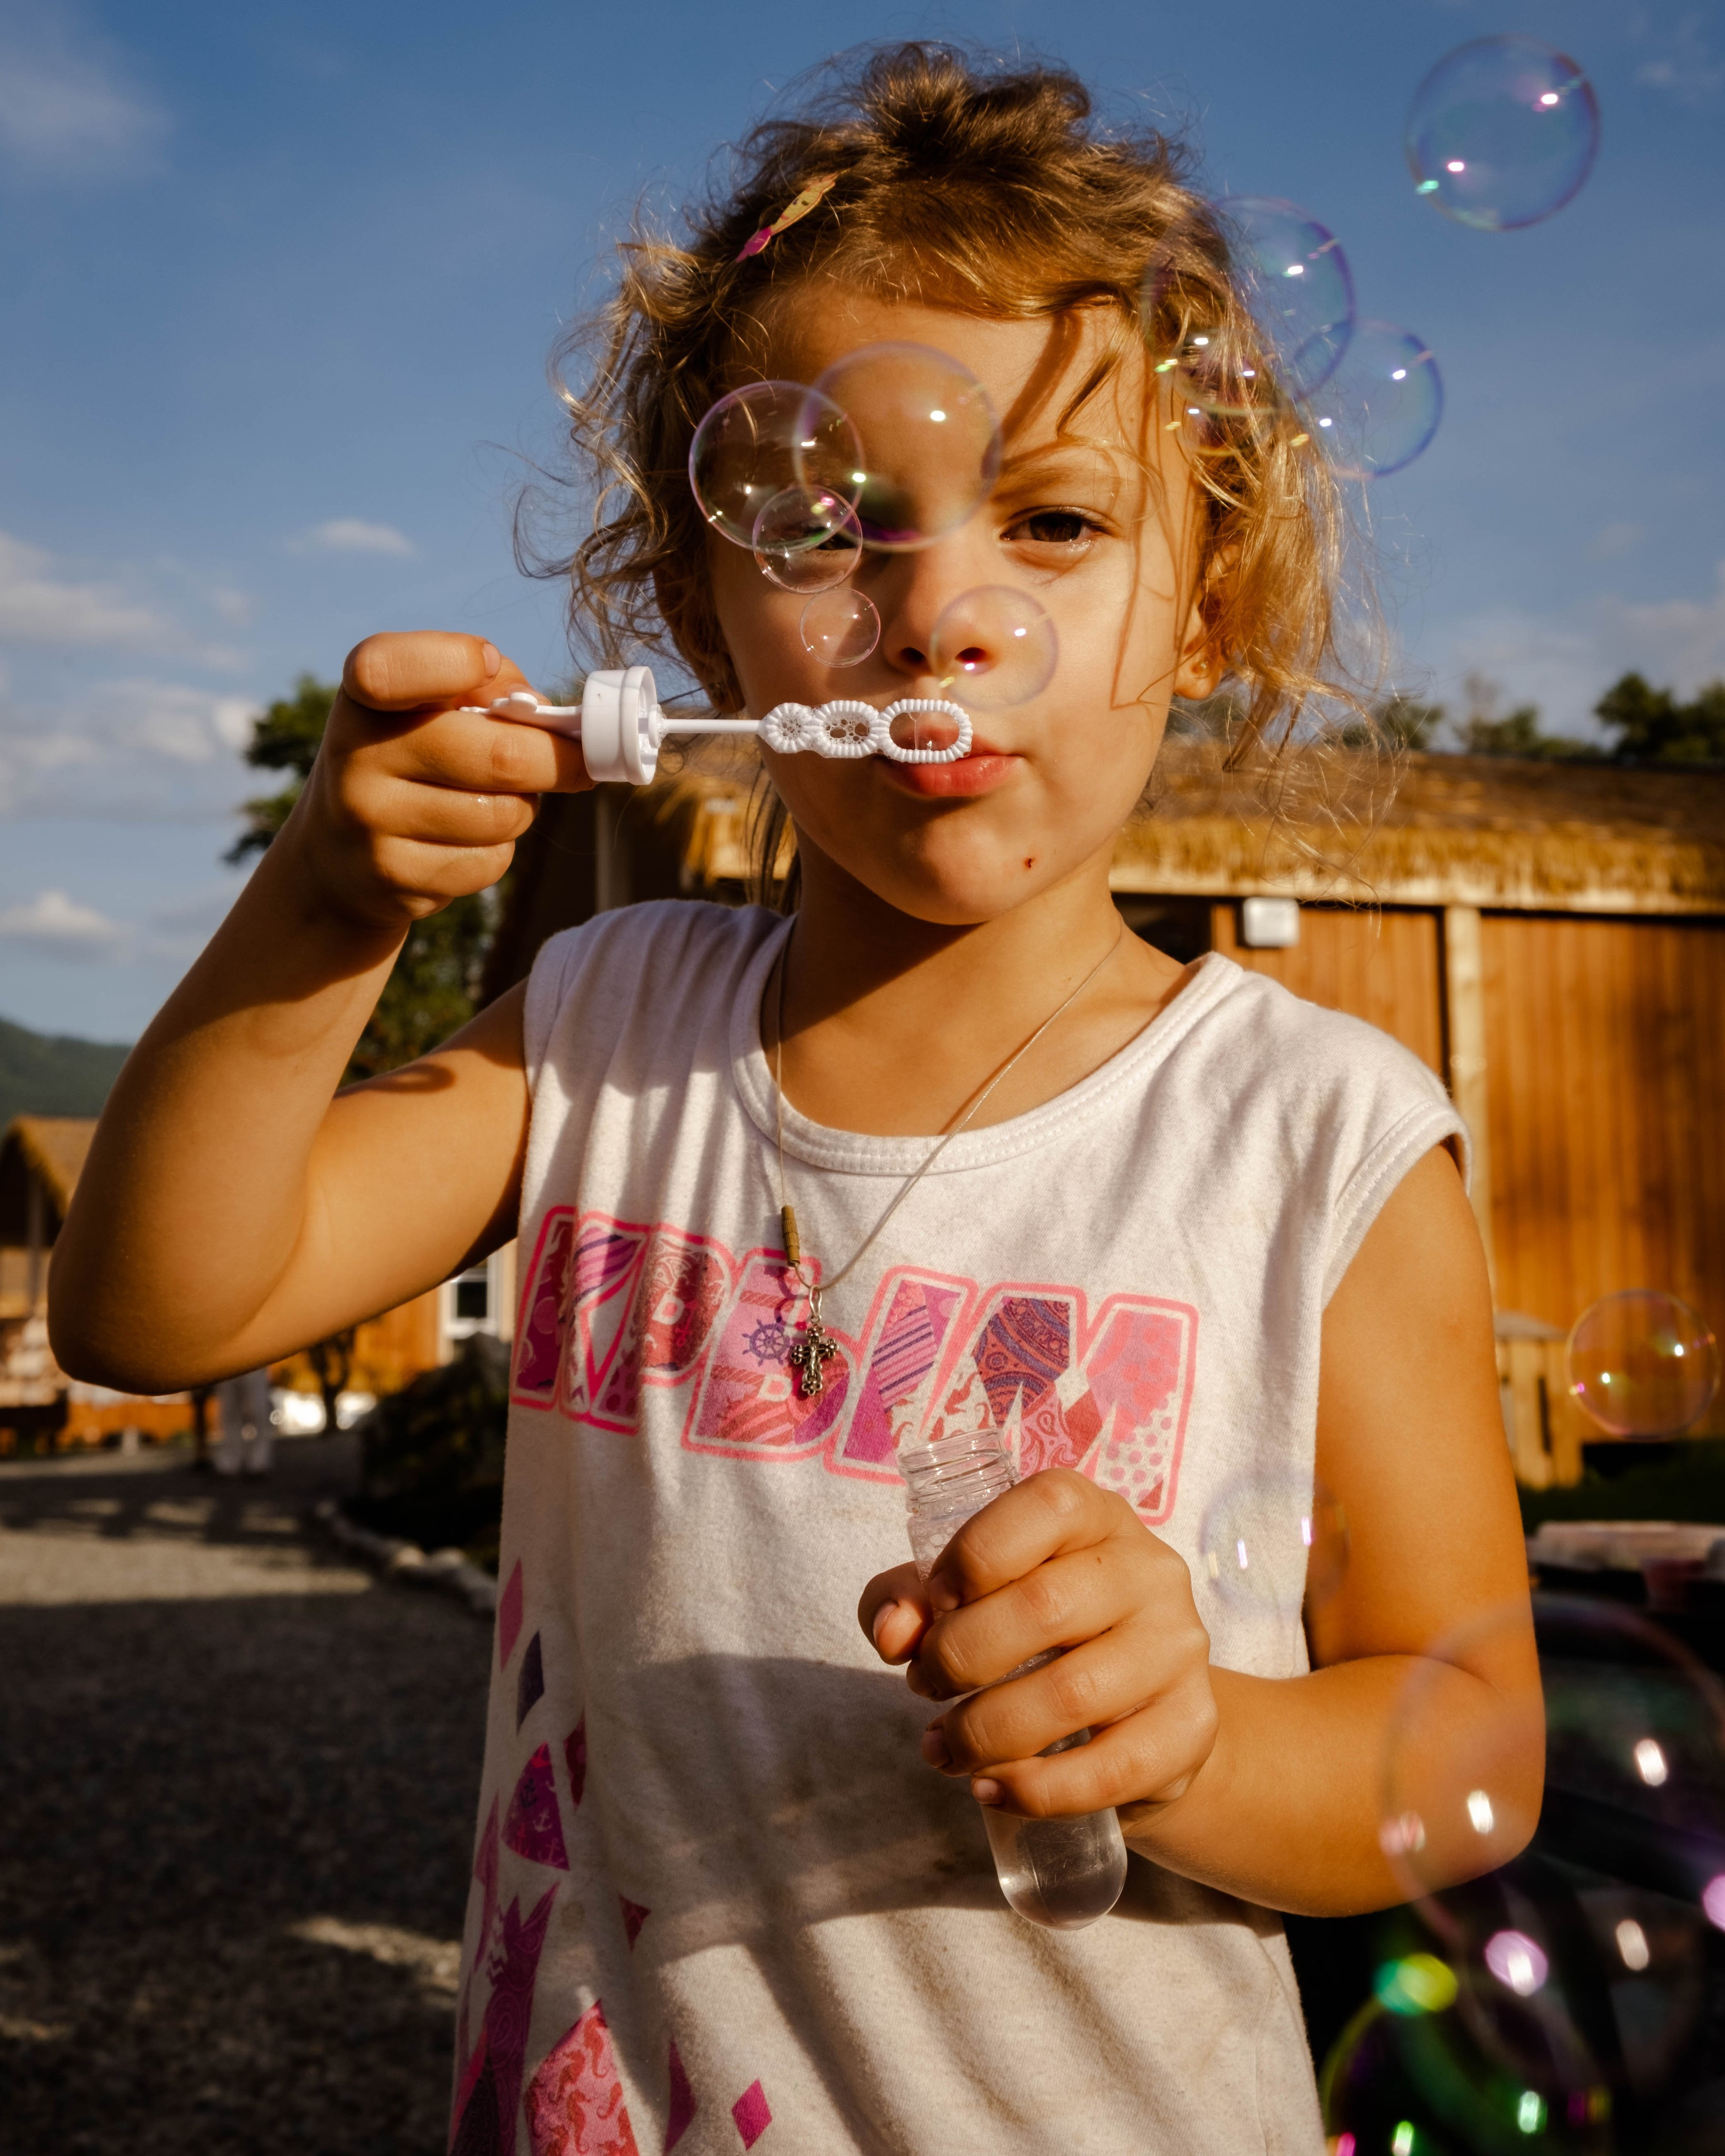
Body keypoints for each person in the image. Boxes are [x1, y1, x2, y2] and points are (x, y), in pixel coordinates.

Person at [48, 45, 1540, 2156]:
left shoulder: (1314, 1138)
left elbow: (1470, 1746)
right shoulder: (606, 1027)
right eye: (833, 530)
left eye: (1056, 520)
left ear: (1202, 607)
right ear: (700, 618)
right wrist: (322, 907)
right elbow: (159, 1309)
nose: (941, 613)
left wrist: (1190, 1735)